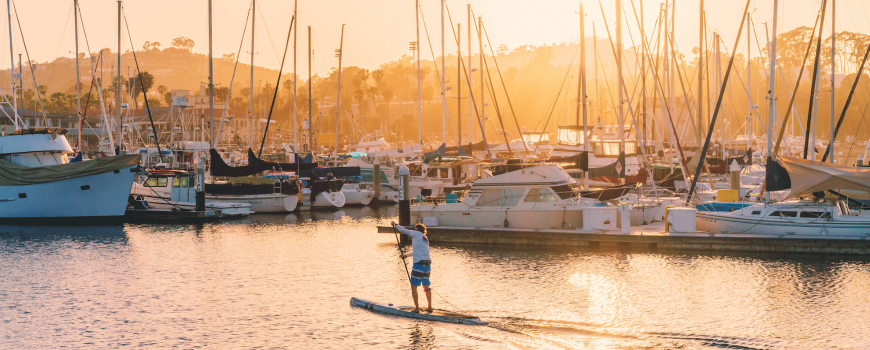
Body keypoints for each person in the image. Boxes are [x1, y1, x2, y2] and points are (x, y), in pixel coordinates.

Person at [391, 221, 433, 313]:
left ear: (417, 229)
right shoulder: (425, 238)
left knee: (413, 286)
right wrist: (406, 255)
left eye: (415, 229)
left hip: (418, 264)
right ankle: (430, 307)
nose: (414, 230)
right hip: (427, 264)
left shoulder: (417, 234)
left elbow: (404, 230)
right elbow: (418, 252)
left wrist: (396, 225)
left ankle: (417, 308)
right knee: (426, 286)